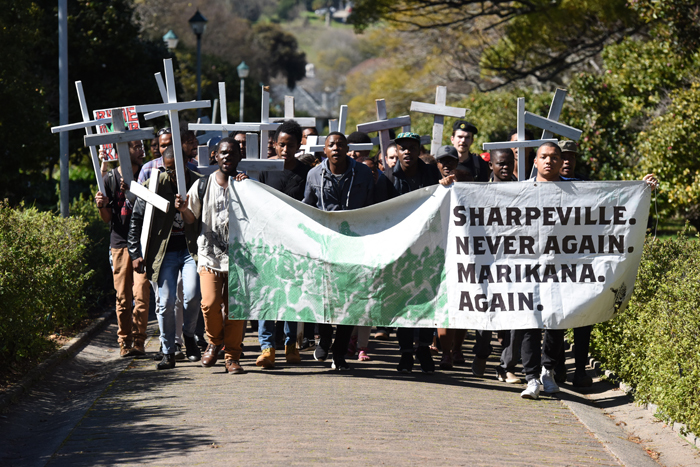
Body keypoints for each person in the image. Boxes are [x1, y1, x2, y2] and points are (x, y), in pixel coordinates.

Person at [519, 143, 659, 399]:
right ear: (535, 162)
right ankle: (531, 378)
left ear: (562, 162)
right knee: (530, 322)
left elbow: (607, 201)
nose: (549, 161)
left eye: (554, 157)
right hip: (529, 268)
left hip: (562, 269)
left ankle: (547, 372)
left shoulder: (575, 189)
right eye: (543, 157)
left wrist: (640, 188)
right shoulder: (520, 191)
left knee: (554, 322)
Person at [303, 132, 375, 370]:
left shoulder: (364, 173)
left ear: (347, 149)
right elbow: (307, 207)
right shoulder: (314, 174)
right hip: (325, 247)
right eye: (331, 145)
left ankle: (340, 352)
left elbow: (376, 204)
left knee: (350, 300)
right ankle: (324, 338)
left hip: (355, 246)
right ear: (324, 150)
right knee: (325, 297)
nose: (336, 148)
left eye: (340, 144)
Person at [128, 145, 203, 370]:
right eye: (167, 169)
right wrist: (135, 253)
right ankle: (168, 351)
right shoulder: (153, 185)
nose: (172, 175)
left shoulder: (199, 182)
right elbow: (136, 219)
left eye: (176, 170)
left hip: (191, 251)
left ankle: (189, 336)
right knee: (166, 301)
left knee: (191, 296)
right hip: (165, 251)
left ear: (186, 165)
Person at [179, 137, 249, 375]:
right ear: (215, 157)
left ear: (239, 157)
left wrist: (249, 187)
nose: (227, 157)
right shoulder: (203, 185)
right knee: (209, 303)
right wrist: (182, 209)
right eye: (223, 153)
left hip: (240, 260)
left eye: (232, 153)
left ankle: (232, 357)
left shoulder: (246, 185)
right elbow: (191, 218)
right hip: (210, 256)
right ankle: (213, 341)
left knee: (234, 310)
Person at [255, 120, 310, 369]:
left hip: (295, 244)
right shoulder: (264, 170)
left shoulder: (306, 173)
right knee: (267, 295)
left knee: (291, 295)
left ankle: (290, 345)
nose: (285, 149)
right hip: (267, 244)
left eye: (290, 145)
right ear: (274, 144)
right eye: (280, 144)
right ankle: (267, 347)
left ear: (299, 145)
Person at [94, 140, 150, 357]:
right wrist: (101, 206)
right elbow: (107, 218)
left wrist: (136, 192)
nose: (141, 150)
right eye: (135, 146)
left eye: (141, 145)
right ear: (122, 152)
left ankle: (139, 341)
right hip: (119, 244)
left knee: (142, 294)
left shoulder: (145, 176)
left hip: (142, 244)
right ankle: (124, 341)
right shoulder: (109, 179)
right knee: (123, 298)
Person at [392, 132, 441, 373]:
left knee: (426, 298)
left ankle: (423, 347)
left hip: (429, 249)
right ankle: (406, 353)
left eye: (412, 148)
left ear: (418, 150)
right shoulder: (389, 179)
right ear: (397, 152)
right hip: (402, 251)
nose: (407, 152)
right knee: (404, 301)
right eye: (403, 148)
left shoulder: (433, 175)